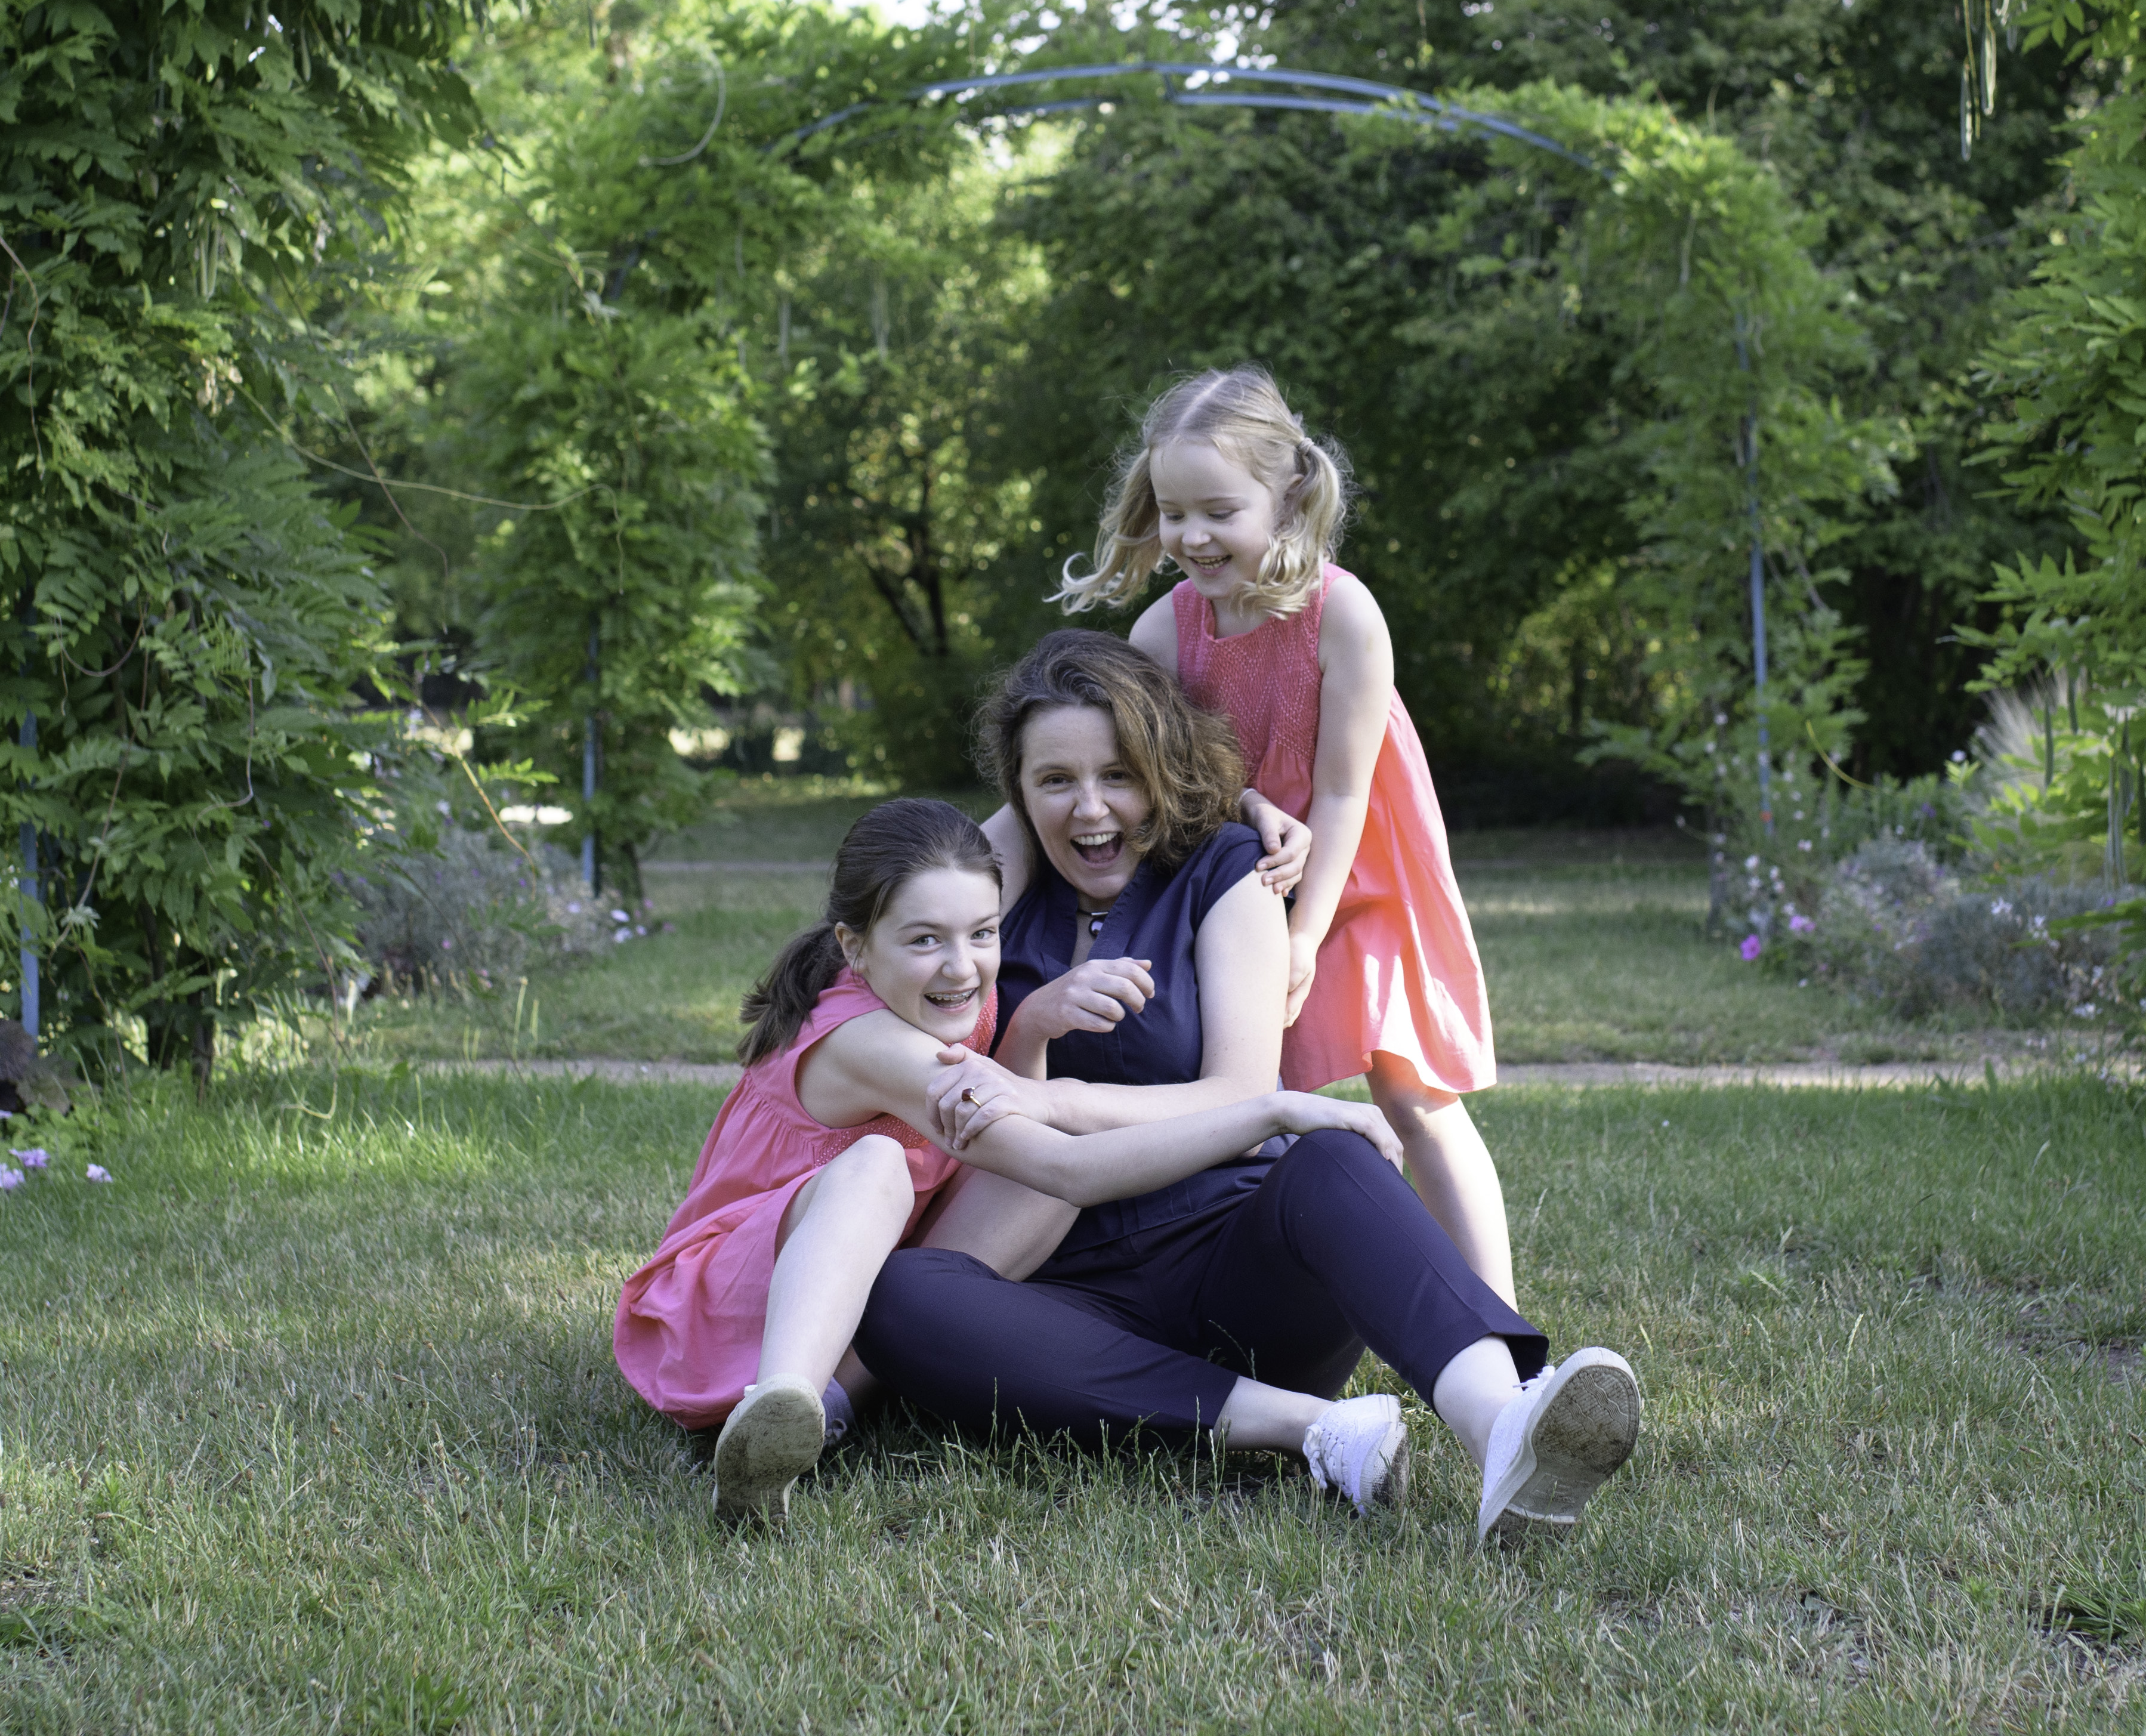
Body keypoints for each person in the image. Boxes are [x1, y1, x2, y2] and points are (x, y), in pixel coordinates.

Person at [864, 632, 1641, 1550]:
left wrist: (1048, 1101)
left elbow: (1234, 1089)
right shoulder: (989, 899)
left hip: (1237, 1261)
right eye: (1054, 782)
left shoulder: (1228, 868)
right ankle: (1292, 1424)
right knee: (903, 1297)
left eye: (1119, 774)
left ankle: (1501, 1429)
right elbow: (879, 918)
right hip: (1068, 1301)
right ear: (1017, 793)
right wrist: (1028, 1032)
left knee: (1330, 1158)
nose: (1089, 809)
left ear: (1159, 767)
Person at [612, 795, 1399, 1528]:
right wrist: (1266, 1108)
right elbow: (1070, 1172)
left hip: (870, 1279)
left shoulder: (955, 987)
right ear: (855, 945)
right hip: (732, 1302)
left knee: (1015, 1161)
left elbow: (1078, 769)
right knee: (880, 1166)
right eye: (924, 940)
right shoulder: (870, 1039)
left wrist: (1027, 1030)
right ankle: (784, 1402)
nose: (961, 965)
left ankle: (847, 1395)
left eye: (982, 934)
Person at [1034, 364, 1513, 1300]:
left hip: (1359, 873)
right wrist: (1247, 821)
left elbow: (1340, 794)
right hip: (1233, 886)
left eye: (1217, 510)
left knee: (1410, 1094)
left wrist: (1305, 937)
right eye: (1173, 513)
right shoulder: (1166, 633)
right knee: (1237, 1093)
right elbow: (1163, 781)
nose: (1191, 536)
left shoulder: (1342, 613)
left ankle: (1499, 1318)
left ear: (1286, 495)